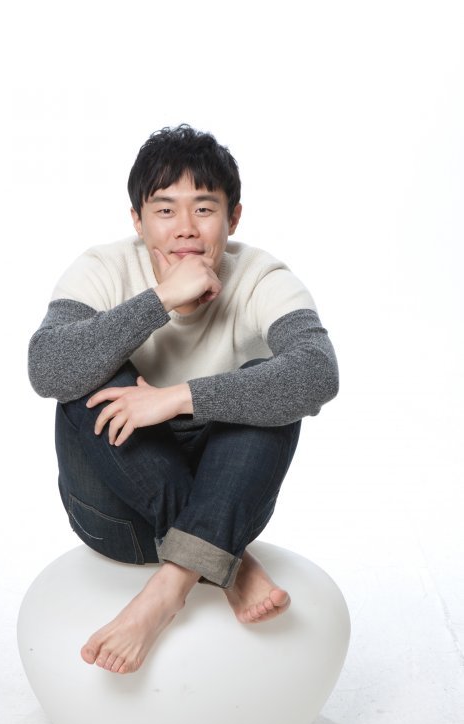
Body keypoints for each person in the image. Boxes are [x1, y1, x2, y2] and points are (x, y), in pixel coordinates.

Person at [28, 124, 339, 675]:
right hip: (117, 520)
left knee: (270, 382)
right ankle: (229, 564)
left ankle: (167, 591)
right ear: (137, 220)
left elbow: (318, 373)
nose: (186, 228)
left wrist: (176, 398)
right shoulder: (102, 268)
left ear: (233, 217)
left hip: (227, 496)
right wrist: (162, 298)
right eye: (165, 210)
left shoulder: (261, 276)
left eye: (204, 208)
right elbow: (46, 368)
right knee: (89, 372)